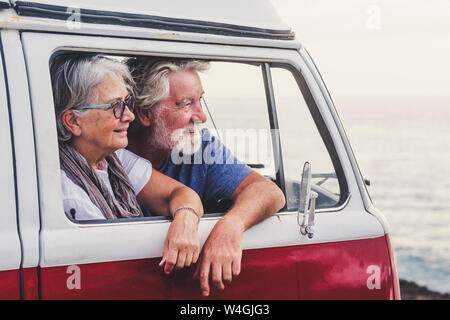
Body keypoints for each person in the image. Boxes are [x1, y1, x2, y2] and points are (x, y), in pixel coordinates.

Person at [126, 57, 286, 296]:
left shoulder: (199, 146)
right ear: (145, 113)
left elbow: (269, 192)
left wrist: (230, 226)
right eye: (186, 104)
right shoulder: (108, 153)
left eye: (200, 100)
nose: (201, 117)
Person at [50, 54, 204, 275]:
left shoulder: (113, 158)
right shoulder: (72, 198)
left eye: (128, 103)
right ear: (73, 121)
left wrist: (186, 220)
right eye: (116, 106)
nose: (130, 115)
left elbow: (180, 193)